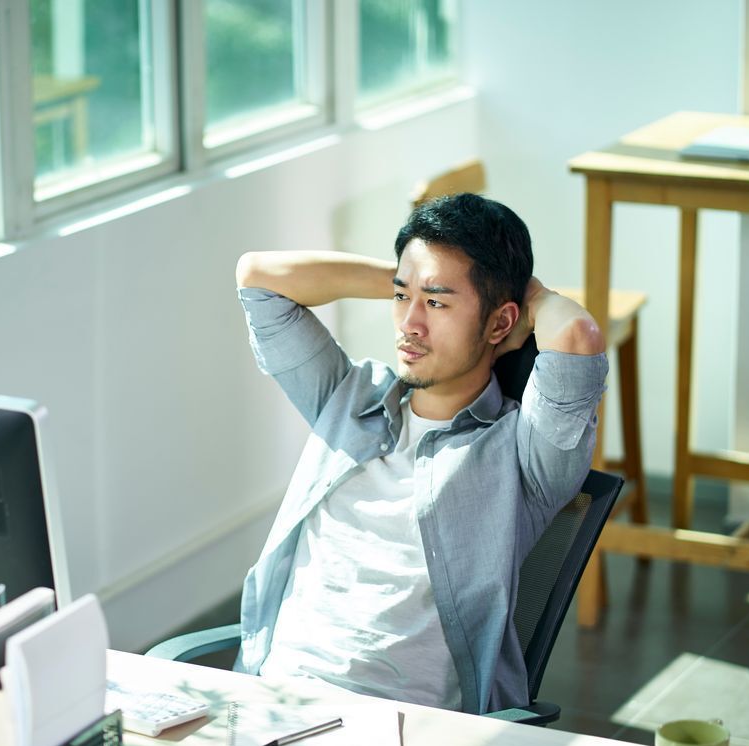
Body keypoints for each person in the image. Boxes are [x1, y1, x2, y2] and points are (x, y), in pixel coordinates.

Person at [233, 192, 607, 714]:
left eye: (436, 303)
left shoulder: (521, 458)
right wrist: (417, 278)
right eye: (400, 298)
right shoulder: (347, 398)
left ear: (501, 324)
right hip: (273, 698)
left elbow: (577, 334)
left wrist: (528, 296)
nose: (409, 324)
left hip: (403, 728)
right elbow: (259, 277)